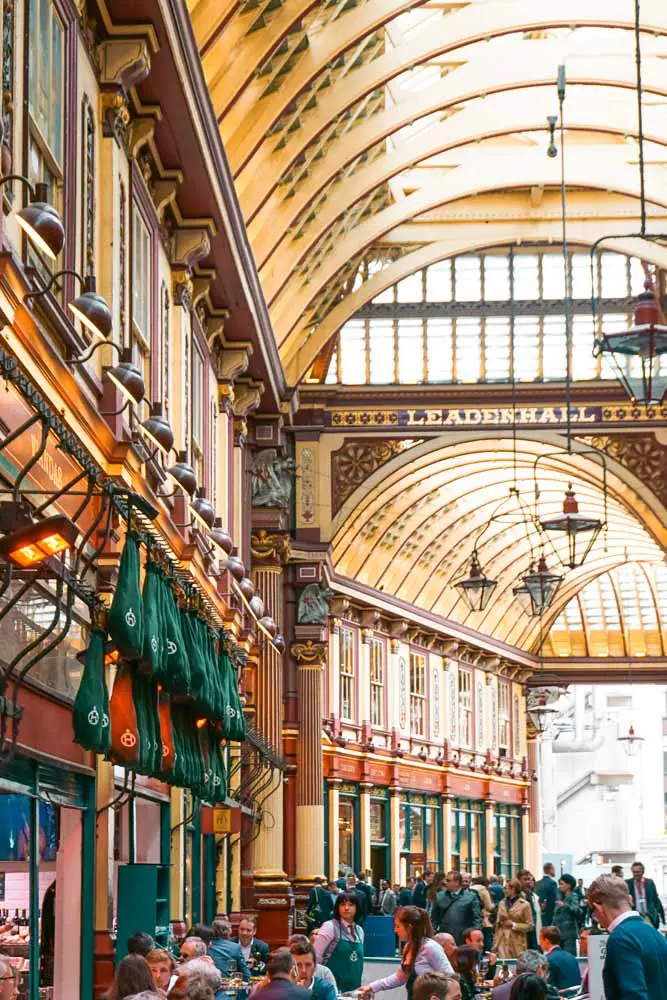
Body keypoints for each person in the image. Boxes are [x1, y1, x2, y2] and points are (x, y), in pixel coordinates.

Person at [588, 873, 667, 1000]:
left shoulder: (621, 938)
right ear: (629, 899)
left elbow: (633, 994)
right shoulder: (656, 934)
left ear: (598, 907)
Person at [360, 906, 453, 1000]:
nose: (395, 930)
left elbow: (451, 979)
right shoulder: (408, 947)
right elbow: (400, 977)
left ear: (409, 927)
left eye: (398, 926)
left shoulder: (431, 948)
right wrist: (372, 987)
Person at [313, 891, 364, 993]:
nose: (346, 908)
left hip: (354, 990)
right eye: (342, 904)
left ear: (357, 907)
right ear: (337, 907)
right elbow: (315, 958)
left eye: (351, 904)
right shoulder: (329, 927)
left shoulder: (359, 931)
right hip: (330, 990)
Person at [431, 871, 481, 944]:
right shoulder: (440, 896)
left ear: (457, 882)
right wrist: (434, 931)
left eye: (448, 880)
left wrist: (474, 935)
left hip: (463, 936)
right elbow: (434, 917)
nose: (445, 882)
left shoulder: (471, 897)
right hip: (444, 936)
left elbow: (476, 918)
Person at [493, 879, 534, 959]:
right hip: (502, 940)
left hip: (517, 943)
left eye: (506, 888)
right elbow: (497, 925)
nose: (504, 890)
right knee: (502, 966)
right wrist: (495, 943)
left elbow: (530, 926)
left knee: (516, 967)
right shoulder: (502, 903)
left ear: (513, 889)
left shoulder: (525, 905)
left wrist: (514, 925)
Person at [538, 926, 581, 992]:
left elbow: (548, 989)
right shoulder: (572, 957)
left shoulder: (547, 960)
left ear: (546, 941)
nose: (539, 943)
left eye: (540, 939)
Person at [627, 861, 665, 929]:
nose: (636, 874)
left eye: (638, 872)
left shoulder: (649, 882)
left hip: (649, 916)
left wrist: (662, 916)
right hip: (636, 917)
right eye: (634, 872)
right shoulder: (628, 883)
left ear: (643, 872)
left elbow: (656, 900)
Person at [553, 875, 581, 956]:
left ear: (569, 885)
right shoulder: (561, 896)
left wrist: (565, 905)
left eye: (562, 884)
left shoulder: (573, 896)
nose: (560, 886)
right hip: (560, 933)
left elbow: (576, 909)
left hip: (568, 933)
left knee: (569, 955)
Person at [517, 871, 541, 951]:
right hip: (522, 936)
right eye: (525, 879)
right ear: (519, 881)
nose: (528, 882)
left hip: (534, 935)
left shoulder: (533, 896)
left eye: (529, 879)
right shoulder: (517, 898)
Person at [470, 878, 495, 953]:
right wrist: (495, 905)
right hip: (484, 919)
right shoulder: (484, 891)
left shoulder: (469, 889)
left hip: (472, 919)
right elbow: (489, 906)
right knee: (487, 938)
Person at [535, 865, 558, 929]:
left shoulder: (537, 883)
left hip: (539, 913)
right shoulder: (552, 883)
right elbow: (553, 901)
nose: (554, 871)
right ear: (550, 870)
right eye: (554, 869)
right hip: (549, 915)